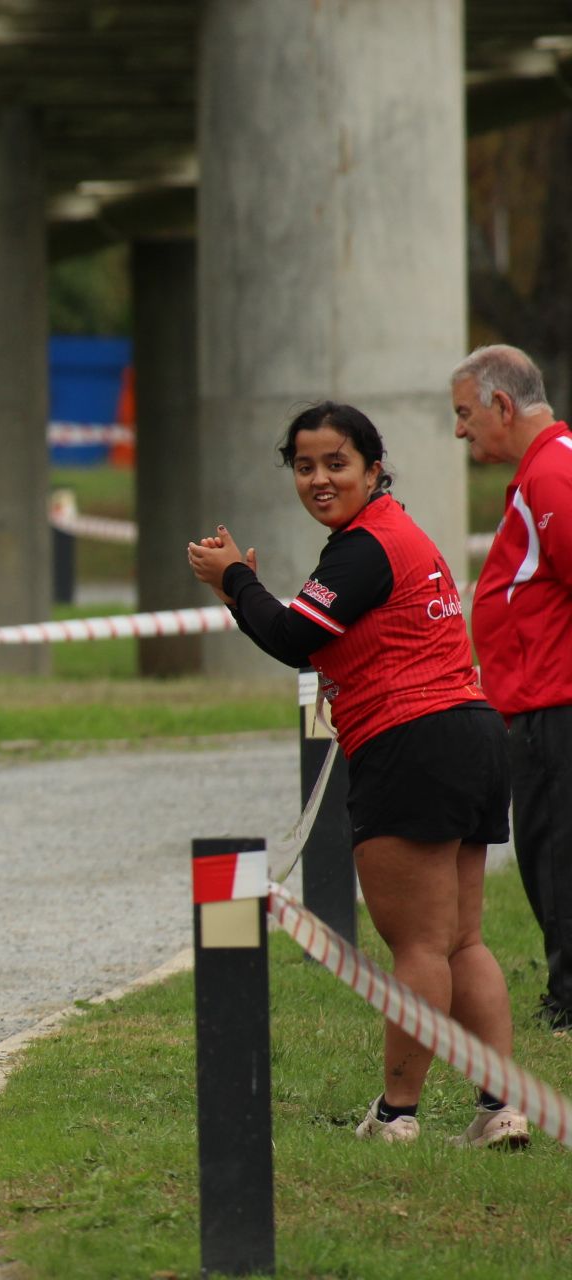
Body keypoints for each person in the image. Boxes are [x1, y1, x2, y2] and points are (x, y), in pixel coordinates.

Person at [187, 400, 527, 1149]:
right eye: (304, 466)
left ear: (375, 470)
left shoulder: (364, 547)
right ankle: (502, 1109)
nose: (318, 479)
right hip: (472, 733)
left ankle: (398, 1116)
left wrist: (234, 578)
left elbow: (292, 639)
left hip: (413, 742)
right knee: (463, 941)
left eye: (336, 463)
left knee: (417, 946)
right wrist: (242, 583)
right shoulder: (393, 535)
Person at [453, 344, 572, 1034]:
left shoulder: (552, 473)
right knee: (547, 849)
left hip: (552, 703)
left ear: (503, 405)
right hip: (539, 699)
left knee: (554, 851)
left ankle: (568, 999)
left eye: (465, 413)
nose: (460, 429)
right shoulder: (544, 471)